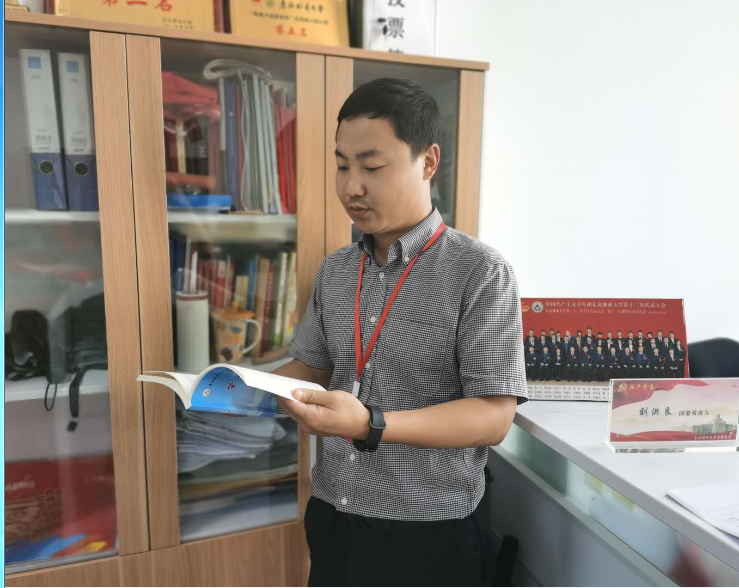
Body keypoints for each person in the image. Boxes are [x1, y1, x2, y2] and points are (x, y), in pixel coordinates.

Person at [273, 78, 527, 587]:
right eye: (342, 165)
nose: (351, 187)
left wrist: (370, 423)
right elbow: (312, 366)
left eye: (371, 167)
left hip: (428, 531)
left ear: (428, 162)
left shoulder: (480, 272)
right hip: (333, 513)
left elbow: (493, 416)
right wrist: (251, 383)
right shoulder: (337, 270)